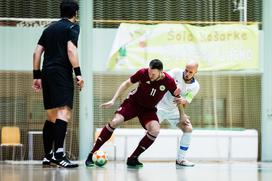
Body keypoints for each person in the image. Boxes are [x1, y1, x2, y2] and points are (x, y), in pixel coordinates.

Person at [85, 59, 180, 168]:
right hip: (133, 103)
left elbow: (178, 97)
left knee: (155, 130)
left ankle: (133, 158)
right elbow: (126, 84)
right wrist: (113, 99)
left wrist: (182, 114)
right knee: (116, 121)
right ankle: (92, 154)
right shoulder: (142, 73)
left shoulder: (168, 81)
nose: (150, 76)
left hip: (148, 109)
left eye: (153, 74)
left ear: (161, 72)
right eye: (149, 72)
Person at [32, 0, 83, 168]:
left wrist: (36, 76)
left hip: (47, 72)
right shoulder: (73, 27)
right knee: (64, 112)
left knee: (52, 116)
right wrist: (79, 74)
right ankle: (60, 155)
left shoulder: (49, 29)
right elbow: (71, 49)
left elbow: (37, 52)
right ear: (75, 13)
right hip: (62, 73)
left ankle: (48, 156)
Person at [157, 61, 200, 167]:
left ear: (195, 72)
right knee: (150, 131)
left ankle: (181, 159)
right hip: (159, 107)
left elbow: (187, 100)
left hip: (174, 111)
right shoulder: (175, 72)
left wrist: (183, 101)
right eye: (186, 70)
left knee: (188, 129)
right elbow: (163, 80)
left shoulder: (195, 86)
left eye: (190, 72)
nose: (187, 73)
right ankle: (134, 157)